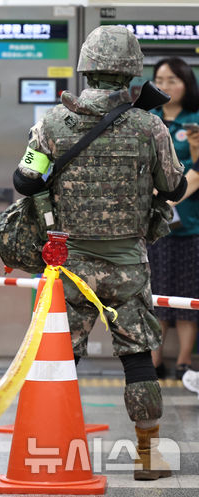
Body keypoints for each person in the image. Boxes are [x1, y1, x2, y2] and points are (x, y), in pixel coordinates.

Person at [12, 26, 186, 481]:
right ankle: (148, 457)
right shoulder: (150, 125)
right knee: (137, 358)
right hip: (128, 263)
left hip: (68, 264)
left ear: (86, 67)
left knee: (60, 358)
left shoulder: (52, 123)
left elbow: (25, 180)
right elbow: (174, 186)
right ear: (132, 71)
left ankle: (49, 449)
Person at [146, 57, 199, 380]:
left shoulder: (196, 121)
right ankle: (154, 361)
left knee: (188, 294)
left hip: (191, 223)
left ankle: (182, 362)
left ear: (186, 83)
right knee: (154, 292)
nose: (165, 86)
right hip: (154, 225)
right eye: (160, 80)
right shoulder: (147, 120)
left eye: (172, 80)